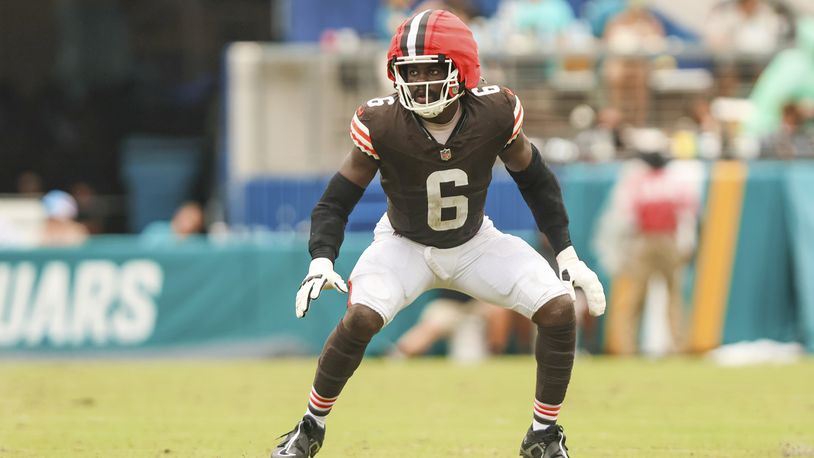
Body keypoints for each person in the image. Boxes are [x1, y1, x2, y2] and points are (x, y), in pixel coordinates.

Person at [271, 10, 606, 458]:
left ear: (462, 68)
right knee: (361, 318)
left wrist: (566, 255)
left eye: (432, 69)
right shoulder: (381, 122)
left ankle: (543, 436)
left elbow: (537, 180)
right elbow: (337, 199)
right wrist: (321, 258)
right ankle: (309, 429)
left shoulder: (495, 111)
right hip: (403, 244)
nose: (420, 81)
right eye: (410, 72)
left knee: (560, 308)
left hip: (474, 243)